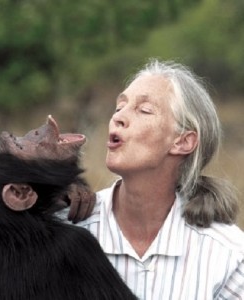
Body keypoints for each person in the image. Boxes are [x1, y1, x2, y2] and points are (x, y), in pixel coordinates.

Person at [63, 59, 244, 299]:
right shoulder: (66, 228)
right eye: (119, 107)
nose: (118, 118)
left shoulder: (227, 254)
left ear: (183, 141)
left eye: (144, 110)